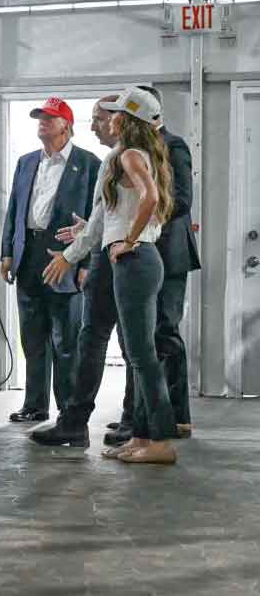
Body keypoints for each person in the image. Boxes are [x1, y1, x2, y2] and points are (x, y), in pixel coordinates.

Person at [37, 87, 179, 464]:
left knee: (142, 356)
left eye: (113, 113)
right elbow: (112, 216)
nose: (105, 118)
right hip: (137, 260)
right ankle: (144, 438)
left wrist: (128, 240)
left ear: (126, 120)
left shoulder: (130, 155)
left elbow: (148, 198)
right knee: (138, 354)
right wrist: (109, 237)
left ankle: (161, 442)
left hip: (135, 262)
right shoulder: (135, 155)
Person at [104, 85, 199, 444]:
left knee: (163, 335)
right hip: (143, 251)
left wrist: (141, 229)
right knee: (138, 340)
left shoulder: (172, 145)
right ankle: (136, 417)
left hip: (167, 253)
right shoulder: (129, 151)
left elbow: (182, 200)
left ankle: (176, 417)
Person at [0, 98, 101, 423]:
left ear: (66, 126)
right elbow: (14, 209)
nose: (42, 122)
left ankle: (69, 409)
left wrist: (84, 264)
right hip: (28, 254)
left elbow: (96, 218)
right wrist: (7, 253)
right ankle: (35, 405)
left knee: (66, 339)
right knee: (33, 336)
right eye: (40, 117)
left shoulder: (88, 164)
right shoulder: (26, 162)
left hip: (65, 257)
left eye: (50, 117)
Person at [30, 95, 122, 448]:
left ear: (121, 120)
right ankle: (76, 421)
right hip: (108, 256)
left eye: (100, 118)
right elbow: (106, 217)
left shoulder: (117, 158)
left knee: (124, 348)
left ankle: (141, 426)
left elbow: (139, 208)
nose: (94, 124)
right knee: (101, 343)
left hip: (120, 261)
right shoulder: (120, 157)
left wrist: (73, 256)